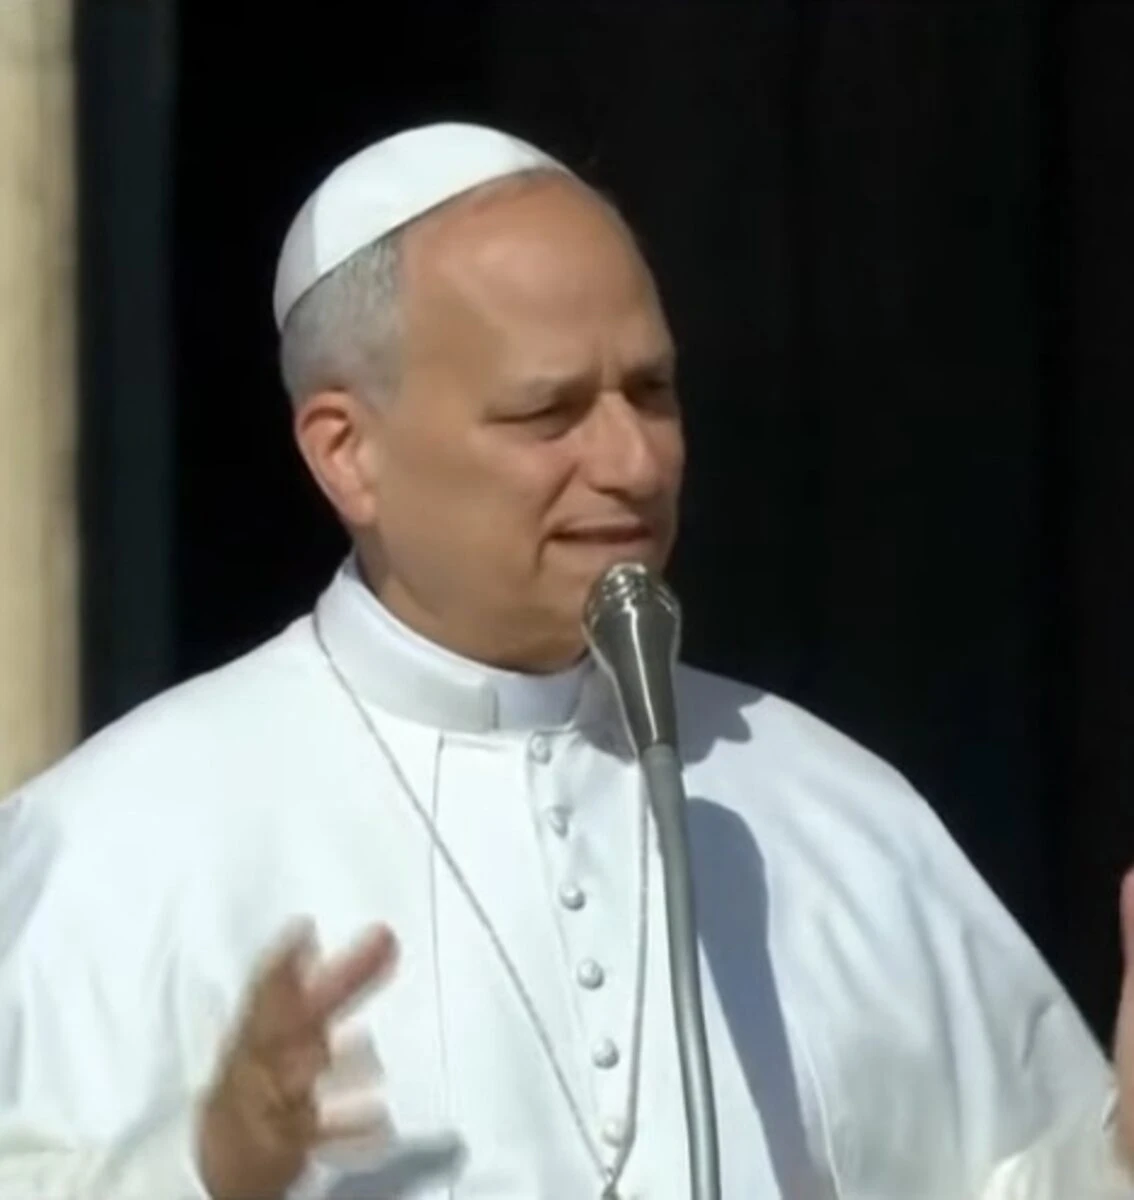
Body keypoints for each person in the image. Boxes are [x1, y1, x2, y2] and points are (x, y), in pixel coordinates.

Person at [0, 120, 1131, 1200]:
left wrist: (1120, 1154)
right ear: (349, 453)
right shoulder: (120, 839)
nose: (635, 462)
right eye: (549, 413)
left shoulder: (834, 809)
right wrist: (202, 1172)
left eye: (652, 392)